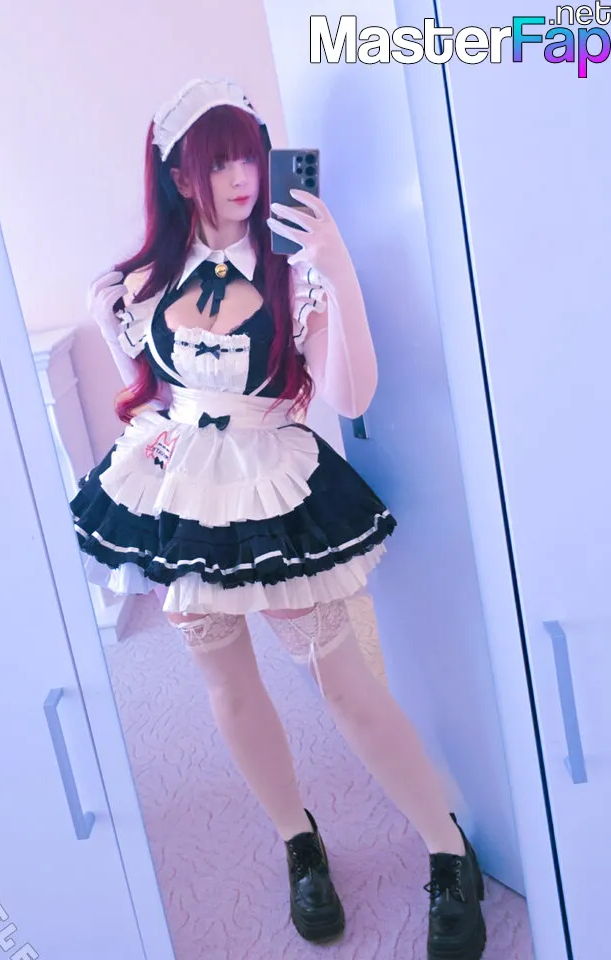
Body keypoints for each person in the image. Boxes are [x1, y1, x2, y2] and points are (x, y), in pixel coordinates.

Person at [71, 78, 487, 959]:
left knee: (342, 682)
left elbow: (350, 395)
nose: (242, 177)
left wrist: (337, 269)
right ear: (180, 176)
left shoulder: (295, 270)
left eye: (250, 157)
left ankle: (448, 847)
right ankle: (299, 840)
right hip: (181, 483)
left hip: (272, 481)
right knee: (225, 681)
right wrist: (110, 327)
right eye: (218, 161)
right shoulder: (140, 285)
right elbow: (157, 395)